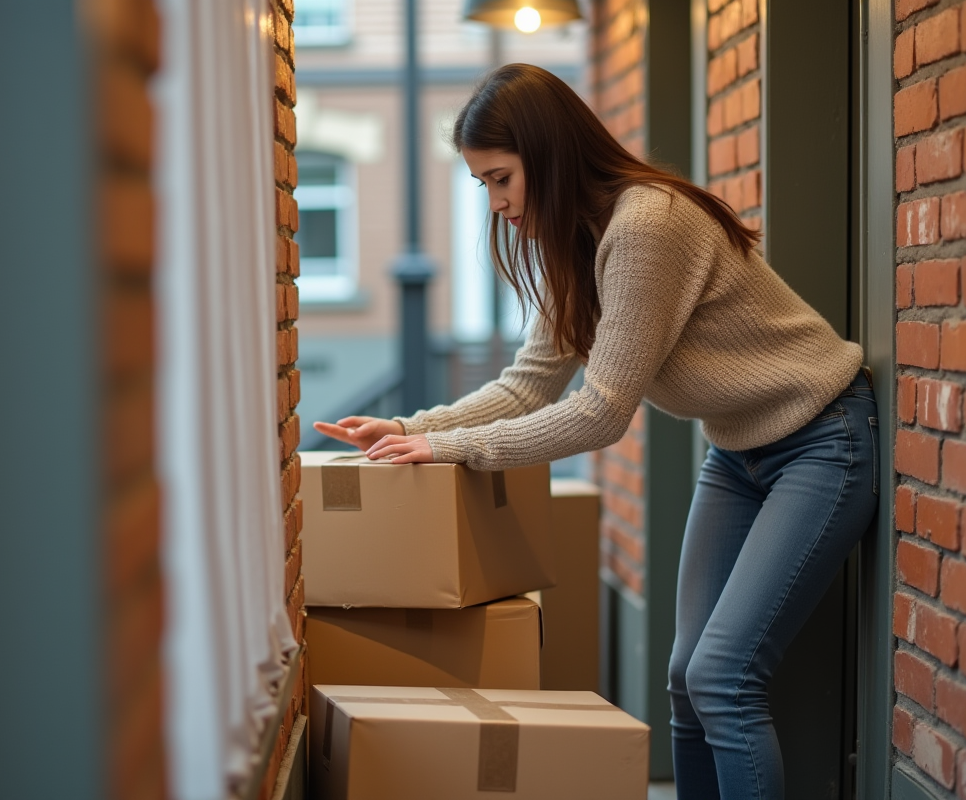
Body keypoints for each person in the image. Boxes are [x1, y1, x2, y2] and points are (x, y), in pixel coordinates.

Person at [312, 63, 877, 800]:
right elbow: (529, 384)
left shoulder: (647, 225)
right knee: (684, 679)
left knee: (723, 676)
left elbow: (601, 411)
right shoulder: (576, 239)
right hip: (739, 453)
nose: (496, 203)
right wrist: (413, 427)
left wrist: (448, 448)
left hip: (821, 439)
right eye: (483, 184)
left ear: (547, 154)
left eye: (502, 178)